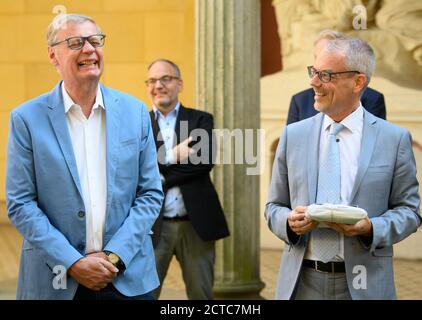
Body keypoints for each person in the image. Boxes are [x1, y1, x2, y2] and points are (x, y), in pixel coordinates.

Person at [6, 14, 164, 300]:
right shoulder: (26, 119)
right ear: (53, 56)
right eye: (76, 42)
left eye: (95, 40)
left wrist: (114, 256)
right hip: (54, 279)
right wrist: (73, 261)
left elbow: (150, 193)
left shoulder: (135, 111)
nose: (89, 49)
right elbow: (21, 203)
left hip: (126, 277)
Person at [265, 37, 421, 300]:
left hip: (365, 284)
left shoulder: (394, 139)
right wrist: (289, 223)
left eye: (325, 75)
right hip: (301, 284)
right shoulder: (293, 136)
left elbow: (410, 211)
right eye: (313, 72)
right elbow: (273, 208)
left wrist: (371, 228)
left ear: (358, 82)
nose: (314, 82)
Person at [146, 59, 229, 300]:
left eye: (166, 79)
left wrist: (158, 177)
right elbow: (133, 168)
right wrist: (173, 156)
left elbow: (202, 163)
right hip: (152, 226)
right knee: (145, 295)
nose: (158, 85)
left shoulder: (200, 120)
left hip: (195, 225)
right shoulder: (137, 123)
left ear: (180, 84)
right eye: (152, 81)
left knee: (201, 295)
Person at [286, 30, 386, 125]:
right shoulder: (299, 101)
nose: (313, 82)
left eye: (328, 56)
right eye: (318, 57)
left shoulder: (372, 99)